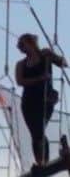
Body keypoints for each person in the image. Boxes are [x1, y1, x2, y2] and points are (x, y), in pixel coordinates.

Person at [14, 33, 67, 166]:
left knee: (39, 131)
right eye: (21, 46)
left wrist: (53, 55)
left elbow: (64, 63)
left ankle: (43, 161)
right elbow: (20, 81)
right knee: (36, 132)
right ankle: (41, 161)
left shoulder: (45, 56)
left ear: (31, 43)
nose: (22, 48)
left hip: (45, 99)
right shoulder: (21, 64)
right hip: (29, 103)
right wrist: (40, 78)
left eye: (23, 45)